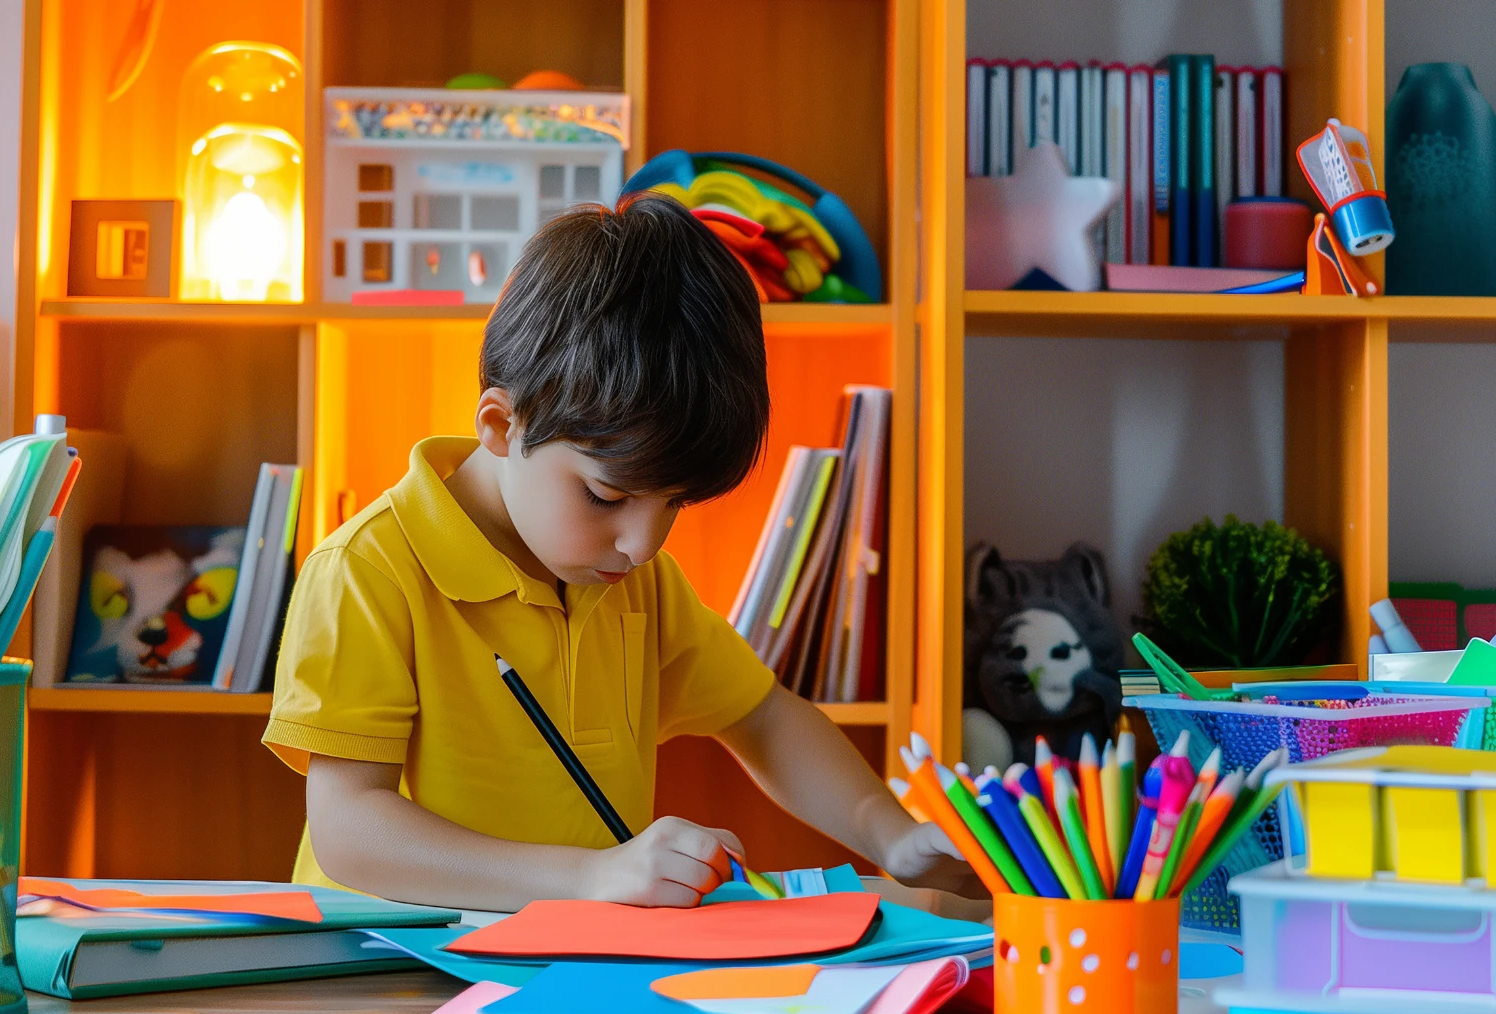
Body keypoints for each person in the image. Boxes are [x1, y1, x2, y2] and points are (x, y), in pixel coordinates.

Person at [262, 194, 975, 909]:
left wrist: (891, 836)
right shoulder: (367, 571)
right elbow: (349, 830)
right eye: (606, 497)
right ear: (502, 424)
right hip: (394, 980)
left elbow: (763, 715)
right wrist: (591, 878)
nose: (642, 544)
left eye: (675, 505)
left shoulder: (633, 580)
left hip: (572, 976)